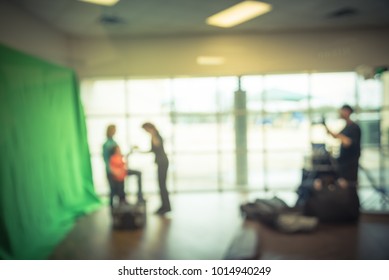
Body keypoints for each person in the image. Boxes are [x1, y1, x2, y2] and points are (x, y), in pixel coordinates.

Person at [102, 124, 143, 207]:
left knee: (121, 191)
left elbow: (121, 156)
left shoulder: (114, 143)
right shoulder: (106, 145)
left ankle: (136, 199)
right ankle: (113, 209)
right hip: (112, 172)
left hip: (120, 172)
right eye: (113, 130)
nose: (115, 131)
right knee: (113, 191)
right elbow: (106, 159)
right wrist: (112, 171)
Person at [324, 104, 361, 185]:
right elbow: (336, 136)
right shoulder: (347, 127)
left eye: (341, 111)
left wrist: (338, 136)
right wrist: (326, 127)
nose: (339, 113)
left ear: (347, 112)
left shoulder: (354, 127)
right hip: (344, 163)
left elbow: (347, 142)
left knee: (349, 187)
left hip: (350, 165)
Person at [142, 122, 171, 215]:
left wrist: (152, 133)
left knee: (162, 185)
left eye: (146, 130)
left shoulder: (157, 135)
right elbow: (153, 150)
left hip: (163, 162)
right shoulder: (155, 136)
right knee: (161, 185)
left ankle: (166, 207)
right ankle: (164, 205)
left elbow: (157, 145)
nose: (146, 132)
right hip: (160, 162)